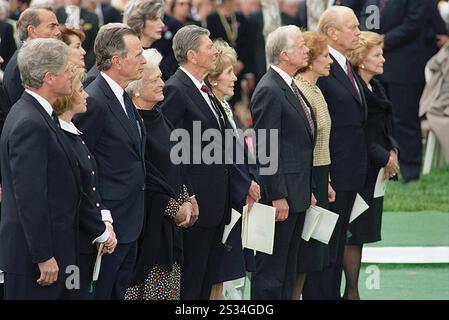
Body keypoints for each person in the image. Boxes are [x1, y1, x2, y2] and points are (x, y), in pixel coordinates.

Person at [0, 38, 80, 299]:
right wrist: (43, 255)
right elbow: (30, 195)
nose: (72, 74)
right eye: (67, 69)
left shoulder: (38, 114)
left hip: (54, 252)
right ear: (49, 77)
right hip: (37, 262)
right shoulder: (29, 122)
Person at [74, 24, 147, 300]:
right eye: (138, 54)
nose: (143, 59)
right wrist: (101, 217)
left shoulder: (122, 95)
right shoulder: (94, 100)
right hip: (110, 226)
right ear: (117, 61)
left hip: (131, 219)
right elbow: (82, 161)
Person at [160, 25, 232, 300]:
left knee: (204, 282)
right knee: (190, 285)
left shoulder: (204, 89)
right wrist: (185, 194)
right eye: (209, 47)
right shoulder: (176, 89)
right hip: (195, 208)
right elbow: (167, 150)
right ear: (192, 54)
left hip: (215, 206)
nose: (215, 51)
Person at [250, 25, 316, 300]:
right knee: (272, 272)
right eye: (301, 45)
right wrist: (278, 195)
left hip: (296, 192)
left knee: (287, 269)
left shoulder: (287, 84)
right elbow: (267, 147)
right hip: (281, 197)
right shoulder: (270, 89)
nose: (307, 50)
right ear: (285, 54)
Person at [124, 48, 193, 300]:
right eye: (155, 80)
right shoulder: (133, 124)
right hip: (146, 230)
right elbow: (145, 177)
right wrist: (175, 209)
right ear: (137, 89)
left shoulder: (160, 117)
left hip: (169, 230)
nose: (163, 83)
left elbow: (176, 165)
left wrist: (188, 198)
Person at [315, 6, 367, 299]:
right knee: (325, 252)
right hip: (333, 175)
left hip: (351, 173)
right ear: (332, 33)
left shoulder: (347, 67)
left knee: (336, 248)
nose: (359, 31)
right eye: (353, 27)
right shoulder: (324, 70)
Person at [53, 64, 118, 299]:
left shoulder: (72, 132)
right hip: (73, 244)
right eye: (81, 90)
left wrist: (105, 219)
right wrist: (101, 231)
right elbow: (74, 193)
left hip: (85, 238)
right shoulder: (60, 136)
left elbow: (90, 183)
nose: (87, 94)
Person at [344, 31, 399, 300]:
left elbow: (385, 128)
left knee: (362, 232)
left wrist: (393, 151)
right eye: (377, 55)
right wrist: (385, 158)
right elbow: (361, 134)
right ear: (362, 59)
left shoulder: (375, 86)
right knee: (353, 233)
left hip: (376, 172)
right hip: (361, 170)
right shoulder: (355, 89)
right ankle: (351, 292)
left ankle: (353, 291)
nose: (383, 60)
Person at [207, 40, 259, 300]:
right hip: (222, 201)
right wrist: (245, 184)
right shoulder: (213, 108)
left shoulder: (225, 107)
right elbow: (222, 154)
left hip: (236, 199)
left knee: (225, 274)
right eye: (228, 72)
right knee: (216, 274)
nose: (234, 77)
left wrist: (250, 178)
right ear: (213, 78)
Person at [359, 0, 432, 183]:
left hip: (405, 64)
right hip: (375, 67)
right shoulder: (374, 2)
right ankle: (386, 165)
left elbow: (413, 23)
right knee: (381, 119)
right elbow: (370, 20)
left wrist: (383, 41)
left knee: (405, 119)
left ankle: (410, 170)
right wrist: (370, 41)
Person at [291, 31, 335, 300]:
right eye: (325, 56)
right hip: (306, 175)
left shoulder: (316, 89)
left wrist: (326, 179)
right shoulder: (300, 89)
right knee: (304, 251)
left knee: (314, 251)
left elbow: (321, 141)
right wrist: (310, 183)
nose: (330, 61)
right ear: (310, 59)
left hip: (320, 173)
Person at [3, 7, 61, 112]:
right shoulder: (21, 65)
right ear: (32, 30)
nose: (58, 32)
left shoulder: (31, 59)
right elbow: (21, 110)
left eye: (57, 26)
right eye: (52, 26)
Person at [55, 0, 99, 69]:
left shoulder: (91, 16)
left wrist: (85, 65)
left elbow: (94, 44)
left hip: (85, 63)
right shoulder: (56, 13)